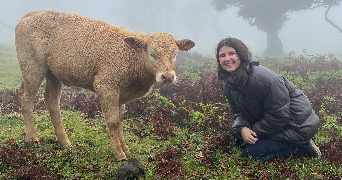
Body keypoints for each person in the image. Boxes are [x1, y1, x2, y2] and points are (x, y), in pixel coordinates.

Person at [216, 37, 321, 162]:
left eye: (231, 53)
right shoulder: (229, 84)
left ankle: (303, 147)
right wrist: (242, 129)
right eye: (222, 55)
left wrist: (253, 132)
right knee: (235, 141)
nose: (227, 59)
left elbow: (280, 116)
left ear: (241, 55)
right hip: (273, 125)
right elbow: (238, 112)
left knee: (252, 153)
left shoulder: (261, 77)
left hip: (295, 127)